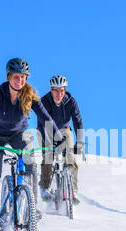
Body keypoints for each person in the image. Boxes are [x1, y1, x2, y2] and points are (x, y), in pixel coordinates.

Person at [0, 58, 64, 231]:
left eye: (23, 77)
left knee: (31, 166)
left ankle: (32, 207)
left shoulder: (30, 94)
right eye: (16, 77)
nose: (20, 81)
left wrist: (59, 136)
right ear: (9, 77)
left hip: (19, 134)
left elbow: (46, 117)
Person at [37, 75, 84, 205]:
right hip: (46, 130)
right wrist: (49, 143)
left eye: (62, 90)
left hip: (64, 130)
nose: (59, 94)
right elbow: (41, 124)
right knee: (49, 156)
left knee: (70, 157)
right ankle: (45, 187)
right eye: (56, 90)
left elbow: (78, 122)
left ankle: (73, 190)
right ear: (51, 90)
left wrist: (79, 142)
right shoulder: (44, 101)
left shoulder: (71, 102)